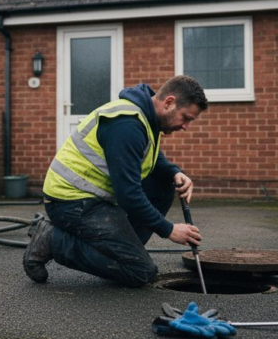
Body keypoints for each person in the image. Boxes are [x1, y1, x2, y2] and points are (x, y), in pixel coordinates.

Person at [24, 75, 208, 287]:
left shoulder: (145, 117)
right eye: (186, 118)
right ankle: (51, 240)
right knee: (141, 272)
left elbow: (149, 155)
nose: (186, 126)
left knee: (164, 182)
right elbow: (129, 195)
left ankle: (128, 250)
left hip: (92, 199)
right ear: (169, 102)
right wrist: (168, 229)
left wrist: (175, 172)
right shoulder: (126, 124)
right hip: (71, 202)